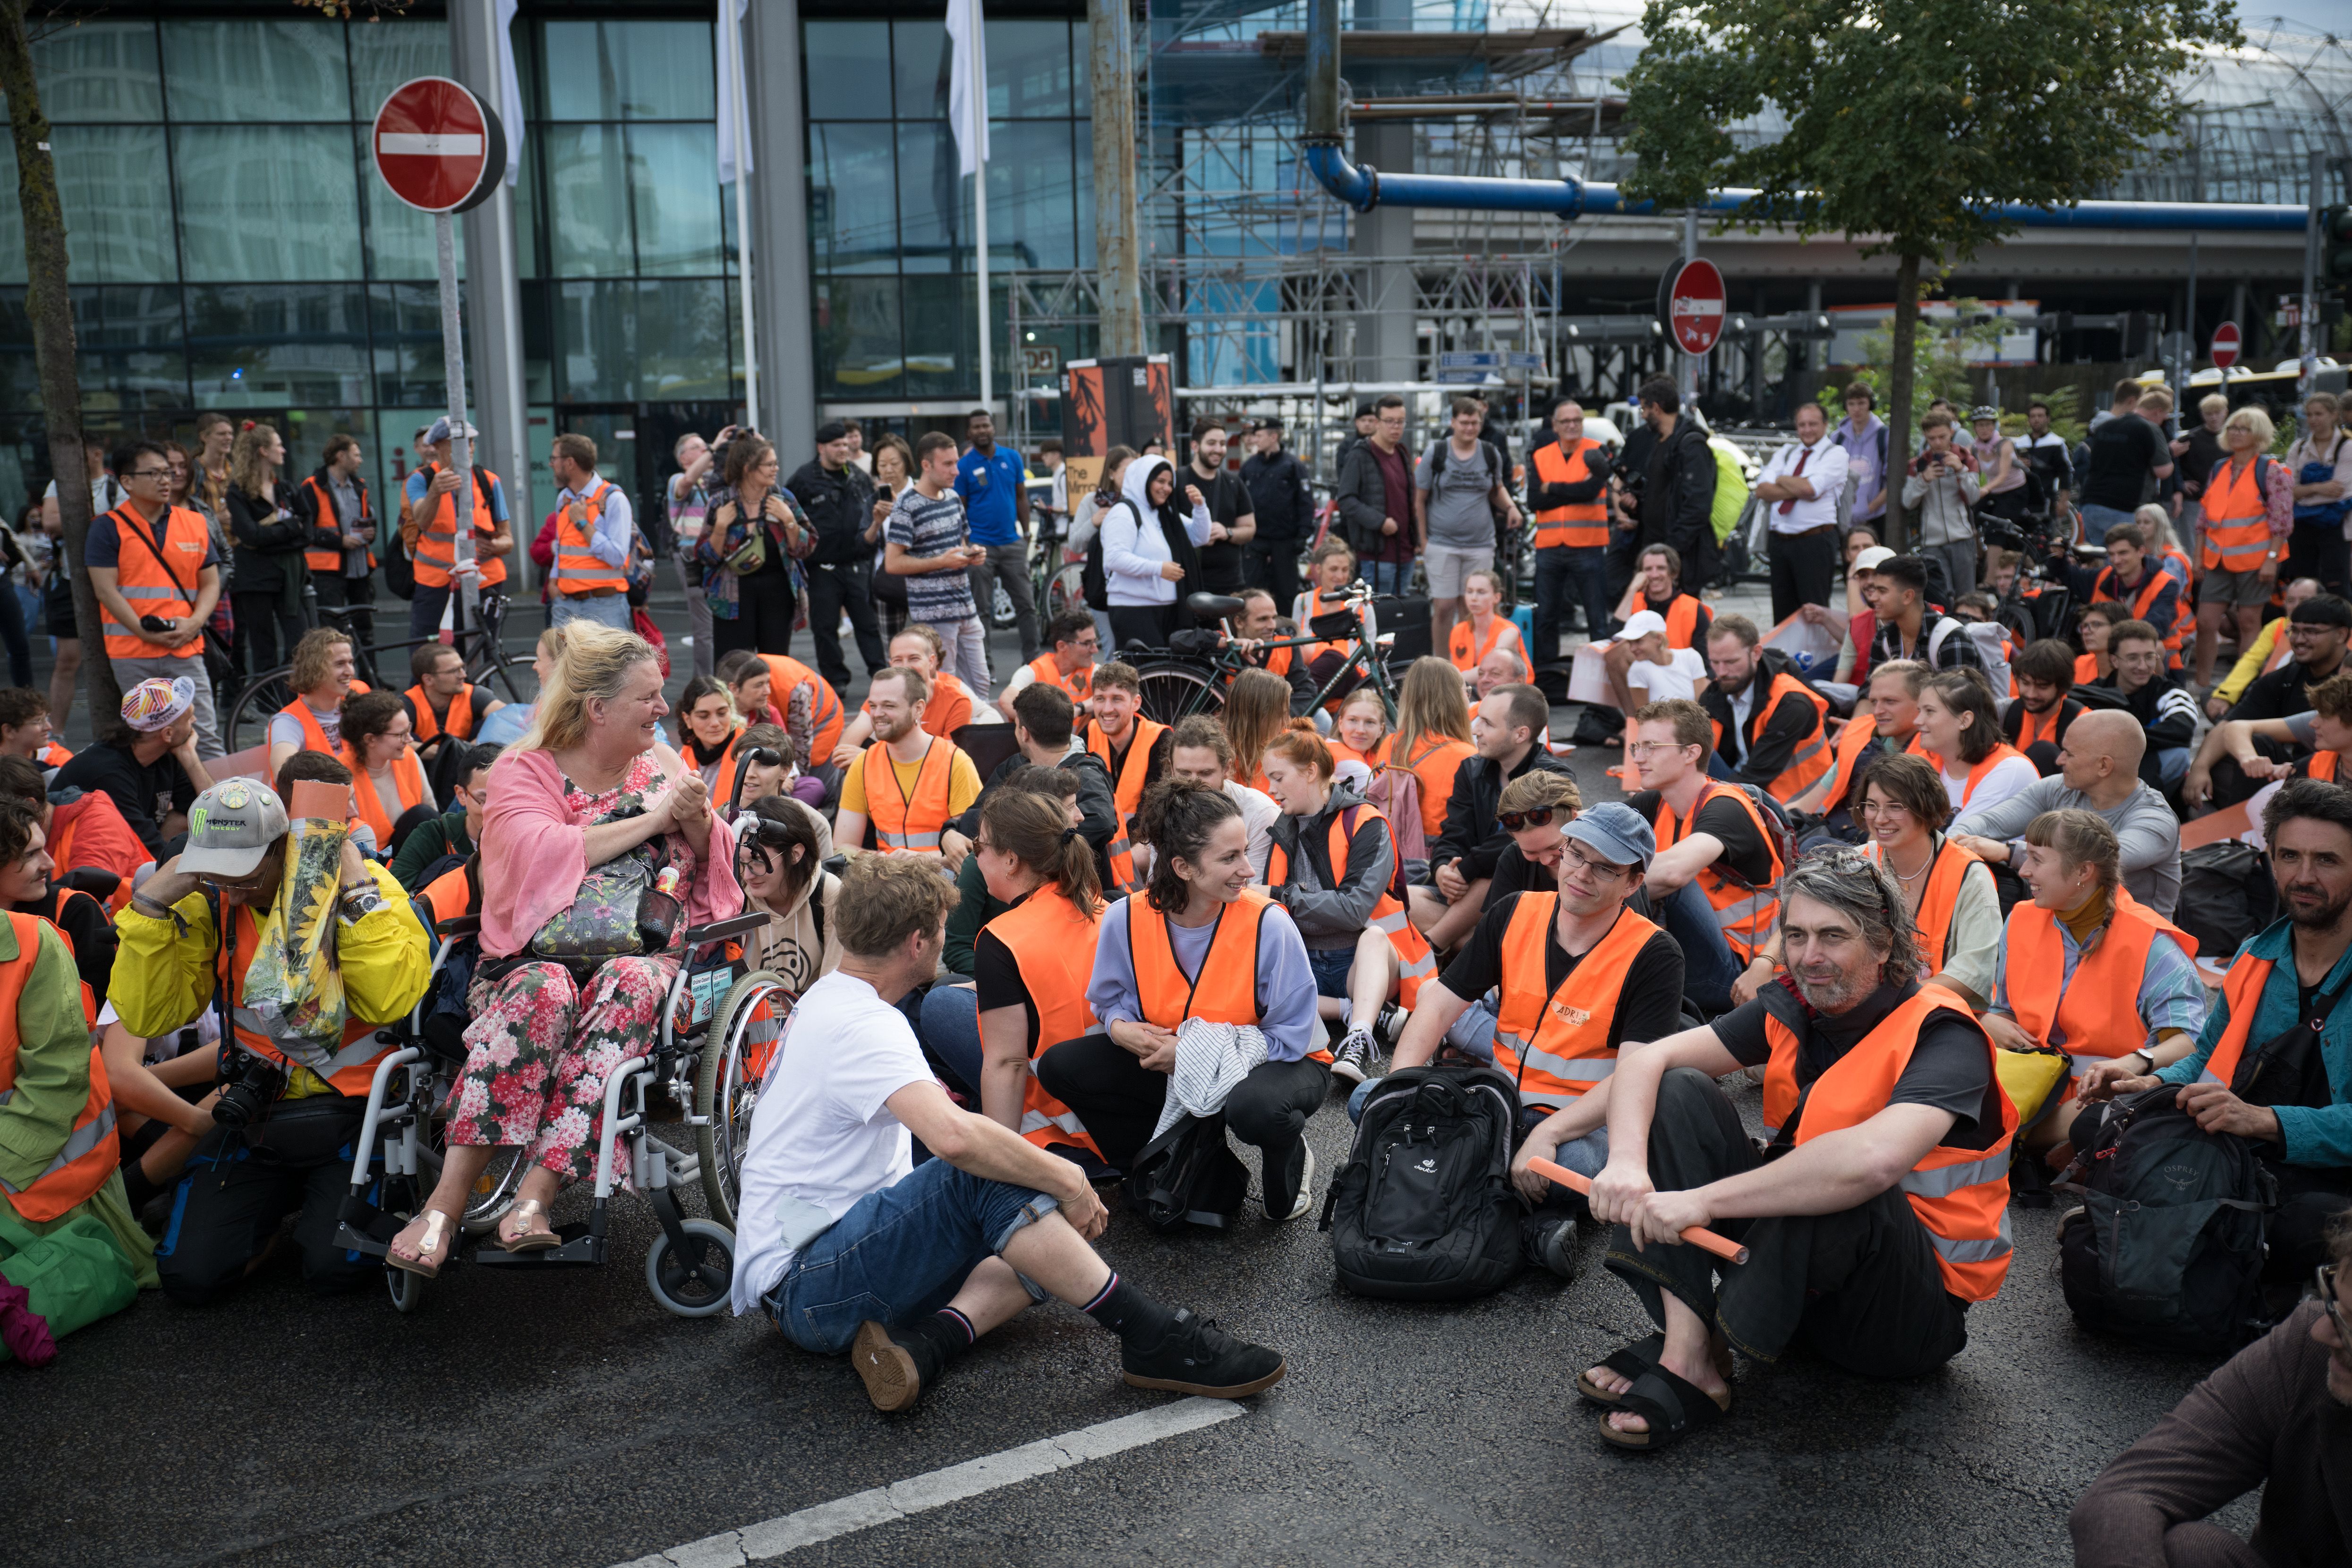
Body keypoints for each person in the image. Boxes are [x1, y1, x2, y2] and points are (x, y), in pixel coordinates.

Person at [728, 853, 1284, 1412]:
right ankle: (1156, 1337)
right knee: (995, 1175)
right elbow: (955, 1139)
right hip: (811, 1287)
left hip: (822, 1264)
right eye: (944, 928)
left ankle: (929, 1344)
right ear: (918, 943)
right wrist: (1066, 1175)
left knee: (1033, 1212)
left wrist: (1043, 1182)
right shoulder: (864, 1023)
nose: (950, 936)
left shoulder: (834, 997)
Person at [1568, 849, 2013, 1449]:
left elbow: (1870, 1163)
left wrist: (1701, 1199)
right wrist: (1614, 1158)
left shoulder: (1945, 1033)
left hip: (1899, 1317)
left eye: (1834, 935)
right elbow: (1648, 1059)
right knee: (1678, 1092)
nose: (1809, 956)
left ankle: (1702, 1346)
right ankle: (1689, 1345)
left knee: (1847, 1180)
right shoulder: (1798, 1002)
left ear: (1884, 945)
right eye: (1797, 934)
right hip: (1800, 1272)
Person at [384, 624, 741, 1276]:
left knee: (631, 980)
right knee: (545, 990)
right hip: (528, 958)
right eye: (650, 698)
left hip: (640, 956)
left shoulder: (660, 759)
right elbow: (537, 855)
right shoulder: (524, 769)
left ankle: (534, 1199)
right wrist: (654, 820)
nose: (664, 711)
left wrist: (691, 815)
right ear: (597, 708)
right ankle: (445, 1202)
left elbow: (707, 856)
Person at [119, 765, 430, 1302]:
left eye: (245, 870)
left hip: (357, 1112)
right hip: (257, 1115)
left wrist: (354, 889)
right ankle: (277, 1215)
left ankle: (335, 1208)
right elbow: (151, 1017)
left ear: (284, 845)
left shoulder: (364, 885)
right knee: (189, 1279)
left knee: (336, 1272)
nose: (232, 886)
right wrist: (149, 907)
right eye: (216, 870)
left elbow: (392, 1000)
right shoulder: (209, 897)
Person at [2087, 779, 2352, 1282]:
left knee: (2308, 1222)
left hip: (2326, 1172)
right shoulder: (2256, 954)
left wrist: (2265, 1120)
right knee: (2103, 1123)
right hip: (2251, 1155)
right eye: (2290, 856)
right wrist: (2152, 1084)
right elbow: (2210, 1057)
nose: (2304, 875)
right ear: (2270, 859)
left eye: (2328, 860)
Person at [1038, 781, 1329, 1220]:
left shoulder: (1269, 923)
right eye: (1230, 858)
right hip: (1174, 1059)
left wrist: (1193, 1053)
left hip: (1285, 1061)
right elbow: (1108, 1003)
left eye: (1245, 852)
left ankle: (1291, 1153)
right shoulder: (1126, 917)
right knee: (1060, 1067)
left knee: (1255, 1110)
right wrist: (1121, 1029)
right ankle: (1165, 1152)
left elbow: (1290, 1036)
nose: (1249, 870)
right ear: (1183, 867)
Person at [2069, 1218, 2352, 1568]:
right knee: (2190, 1552)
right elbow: (2125, 1495)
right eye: (2333, 1301)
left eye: (2350, 1326)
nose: (2323, 1333)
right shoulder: (2307, 1350)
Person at [0, 807, 156, 1321]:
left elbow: (57, 1080)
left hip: (43, 1183)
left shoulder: (34, 941)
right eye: (30, 853)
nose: (50, 862)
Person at [1982, 808, 2203, 1155]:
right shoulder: (2022, 919)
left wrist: (2136, 1062)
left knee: (1983, 1129)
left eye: (2037, 859)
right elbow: (2004, 1010)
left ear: (2084, 871)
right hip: (2027, 1083)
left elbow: (2190, 1042)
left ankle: (2027, 1144)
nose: (2024, 871)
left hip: (2102, 1096)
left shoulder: (2152, 945)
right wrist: (1990, 1021)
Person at [1261, 729, 1430, 1083]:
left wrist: (1279, 895)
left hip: (1364, 964)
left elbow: (1354, 910)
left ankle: (1358, 1039)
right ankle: (1356, 1012)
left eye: (1278, 778)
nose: (1270, 789)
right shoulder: (1282, 826)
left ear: (1310, 772)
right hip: (1307, 962)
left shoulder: (1367, 823)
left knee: (1374, 937)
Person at [1786, 752, 2000, 1009]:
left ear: (1926, 806)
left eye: (1895, 807)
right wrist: (1763, 961)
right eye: (1872, 805)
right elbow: (1800, 916)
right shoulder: (1858, 860)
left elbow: (1972, 973)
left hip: (1937, 1011)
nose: (1880, 818)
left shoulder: (1970, 874)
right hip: (1859, 1001)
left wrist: (1894, 1003)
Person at [1623, 698, 1778, 1015]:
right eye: (1636, 747)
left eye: (1652, 747)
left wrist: (1586, 885)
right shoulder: (1656, 802)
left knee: (1666, 879)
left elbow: (1673, 874)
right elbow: (1593, 831)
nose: (1639, 757)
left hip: (1740, 974)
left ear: (1691, 753)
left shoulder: (1726, 807)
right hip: (1693, 955)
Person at [1951, 708, 2182, 918]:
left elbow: (2093, 863)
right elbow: (1989, 821)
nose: (2059, 760)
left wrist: (2007, 852)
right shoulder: (2059, 787)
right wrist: (1956, 840)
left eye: (2069, 754)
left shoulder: (2155, 820)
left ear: (2104, 766)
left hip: (2133, 946)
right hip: (2065, 929)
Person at [85, 439, 225, 761]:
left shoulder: (194, 522)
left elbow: (211, 584)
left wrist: (194, 624)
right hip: (133, 652)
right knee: (149, 740)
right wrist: (142, 631)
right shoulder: (106, 529)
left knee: (204, 736)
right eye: (155, 473)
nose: (167, 479)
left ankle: (224, 808)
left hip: (186, 647)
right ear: (127, 481)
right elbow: (105, 590)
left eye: (169, 471)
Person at [1409, 684, 1573, 951]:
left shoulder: (1553, 777)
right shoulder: (1471, 769)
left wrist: (1466, 869)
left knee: (1501, 864)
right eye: (1478, 719)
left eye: (1487, 723)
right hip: (1466, 891)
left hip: (1520, 893)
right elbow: (1454, 830)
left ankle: (1435, 944)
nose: (1475, 730)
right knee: (1396, 901)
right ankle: (1472, 941)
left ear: (1520, 734)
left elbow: (1516, 844)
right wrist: (1442, 870)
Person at [947, 682, 1117, 892]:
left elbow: (1102, 822)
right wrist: (949, 832)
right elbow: (978, 816)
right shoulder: (1016, 765)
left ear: (1024, 733)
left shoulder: (1086, 773)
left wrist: (1032, 851)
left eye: (1016, 725)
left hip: (1081, 893)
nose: (1078, 816)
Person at [833, 667, 981, 870]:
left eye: (889, 706)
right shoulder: (865, 763)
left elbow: (970, 852)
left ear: (919, 709)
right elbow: (842, 847)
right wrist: (885, 859)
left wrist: (917, 859)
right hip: (886, 877)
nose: (877, 714)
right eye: (873, 706)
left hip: (942, 878)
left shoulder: (956, 762)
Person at [54, 678, 213, 860]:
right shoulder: (109, 773)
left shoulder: (165, 754)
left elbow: (211, 813)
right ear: (167, 734)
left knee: (190, 818)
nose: (194, 720)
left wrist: (190, 758)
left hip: (130, 842)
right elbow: (146, 843)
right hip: (77, 858)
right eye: (189, 717)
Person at [2191, 405, 2291, 686]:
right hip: (2218, 561)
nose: (2235, 433)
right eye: (2233, 427)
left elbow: (2282, 522)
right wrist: (2198, 557)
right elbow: (2203, 518)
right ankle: (2201, 686)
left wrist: (2272, 559)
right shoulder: (2220, 468)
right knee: (2205, 623)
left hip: (2257, 561)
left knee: (2249, 622)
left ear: (2258, 434)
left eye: (2243, 429)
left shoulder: (2272, 471)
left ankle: (2242, 686)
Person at [886, 432, 992, 693]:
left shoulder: (954, 499)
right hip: (934, 616)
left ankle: (976, 734)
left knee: (981, 686)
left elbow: (961, 545)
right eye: (948, 464)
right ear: (926, 465)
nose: (956, 471)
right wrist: (940, 562)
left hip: (965, 607)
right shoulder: (907, 505)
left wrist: (974, 553)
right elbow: (893, 563)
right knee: (947, 689)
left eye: (956, 462)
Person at [790, 419, 888, 696]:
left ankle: (881, 673)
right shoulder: (804, 478)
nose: (844, 449)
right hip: (821, 567)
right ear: (822, 447)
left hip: (858, 564)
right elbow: (790, 516)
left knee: (868, 624)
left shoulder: (858, 476)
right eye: (837, 445)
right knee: (825, 627)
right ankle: (836, 680)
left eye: (846, 444)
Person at [1417, 398, 1521, 657]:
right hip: (1441, 542)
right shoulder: (1437, 452)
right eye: (1464, 422)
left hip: (1480, 544)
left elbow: (1496, 490)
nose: (1469, 428)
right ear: (1453, 423)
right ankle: (1441, 668)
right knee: (1443, 607)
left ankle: (1470, 666)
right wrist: (1424, 541)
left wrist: (1511, 507)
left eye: (1475, 423)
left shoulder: (1489, 453)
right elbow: (1418, 499)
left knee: (1472, 608)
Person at [1698, 613, 1831, 804]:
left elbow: (1756, 777)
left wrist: (1705, 798)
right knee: (1683, 745)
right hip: (1742, 782)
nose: (1721, 672)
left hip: (1792, 805)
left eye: (1731, 662)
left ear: (1757, 653)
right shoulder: (1717, 693)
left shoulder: (1791, 703)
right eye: (1715, 662)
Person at [401, 415, 513, 642]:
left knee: (485, 652)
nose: (469, 449)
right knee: (430, 652)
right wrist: (435, 491)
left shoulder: (488, 481)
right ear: (439, 446)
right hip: (436, 583)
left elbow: (508, 540)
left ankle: (481, 680)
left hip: (485, 581)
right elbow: (422, 521)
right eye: (460, 443)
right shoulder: (420, 480)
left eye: (471, 442)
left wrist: (491, 546)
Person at [1787, 659, 1930, 834]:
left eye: (1890, 701)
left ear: (1922, 703)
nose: (1878, 711)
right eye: (1874, 702)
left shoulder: (1940, 750)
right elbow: (1809, 804)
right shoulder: (1859, 734)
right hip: (1833, 833)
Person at [699, 433, 808, 659]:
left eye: (776, 463)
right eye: (770, 464)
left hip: (778, 594)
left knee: (775, 665)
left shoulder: (783, 499)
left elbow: (808, 547)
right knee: (733, 665)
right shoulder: (721, 502)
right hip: (732, 597)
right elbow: (706, 557)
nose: (776, 469)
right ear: (748, 468)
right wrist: (720, 528)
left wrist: (789, 520)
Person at [0, 792, 114, 1007]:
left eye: (44, 848)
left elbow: (94, 1013)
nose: (50, 864)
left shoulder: (74, 911)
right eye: (30, 855)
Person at [1100, 452, 1212, 653]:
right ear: (1143, 480)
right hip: (1134, 610)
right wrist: (1158, 569)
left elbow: (1200, 537)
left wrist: (1200, 507)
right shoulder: (1124, 512)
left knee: (1169, 675)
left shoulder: (1166, 514)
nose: (1166, 488)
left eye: (1170, 483)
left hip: (1170, 608)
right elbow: (1115, 558)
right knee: (1144, 675)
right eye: (1160, 481)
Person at [1528, 397, 1612, 662]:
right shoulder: (1541, 456)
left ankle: (1602, 684)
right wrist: (1574, 491)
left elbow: (1591, 491)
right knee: (1545, 618)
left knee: (1597, 619)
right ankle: (1547, 678)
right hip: (1550, 546)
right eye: (1565, 421)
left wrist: (1551, 487)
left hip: (1588, 545)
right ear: (1555, 425)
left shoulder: (1598, 450)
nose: (1572, 426)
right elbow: (1534, 500)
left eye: (1577, 420)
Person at [1753, 401, 1850, 623]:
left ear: (1825, 425)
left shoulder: (1835, 454)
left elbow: (1811, 489)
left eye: (1813, 424)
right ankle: (1785, 657)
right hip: (1781, 542)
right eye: (1802, 425)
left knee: (1814, 612)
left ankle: (1816, 657)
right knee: (1782, 613)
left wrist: (1781, 479)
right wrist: (1798, 486)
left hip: (1814, 541)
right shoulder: (1787, 453)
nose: (1807, 430)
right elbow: (1762, 490)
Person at [956, 408, 1040, 665]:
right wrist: (966, 543)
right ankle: (985, 665)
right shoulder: (964, 465)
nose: (982, 431)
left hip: (1012, 542)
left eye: (986, 426)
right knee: (981, 611)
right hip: (980, 546)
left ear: (994, 428)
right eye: (977, 427)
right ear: (970, 434)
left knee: (1027, 606)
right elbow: (960, 508)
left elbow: (1021, 497)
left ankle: (1033, 663)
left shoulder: (1012, 457)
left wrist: (1025, 533)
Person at [1081, 661, 1168, 894]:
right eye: (1100, 699)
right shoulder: (1089, 733)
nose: (1107, 709)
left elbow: (1153, 810)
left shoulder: (1160, 738)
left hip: (1143, 842)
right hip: (1101, 845)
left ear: (1136, 703)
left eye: (1117, 699)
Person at [2087, 618, 2198, 789]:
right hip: (2099, 773)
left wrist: (2122, 742)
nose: (2143, 666)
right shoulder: (2092, 694)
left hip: (2147, 774)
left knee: (2178, 754)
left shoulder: (2169, 691)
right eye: (2133, 658)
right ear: (2115, 661)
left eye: (2150, 657)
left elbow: (2183, 728)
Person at [835, 625, 976, 760]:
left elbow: (946, 762)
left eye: (914, 658)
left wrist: (870, 759)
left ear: (931, 661)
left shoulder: (956, 700)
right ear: (891, 665)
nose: (906, 667)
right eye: (898, 660)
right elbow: (844, 750)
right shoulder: (882, 696)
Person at [291, 432, 376, 654]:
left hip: (359, 568)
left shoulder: (360, 486)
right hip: (328, 571)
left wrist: (370, 533)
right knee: (332, 629)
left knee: (364, 627)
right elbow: (305, 529)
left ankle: (371, 678)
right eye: (356, 455)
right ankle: (334, 679)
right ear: (341, 456)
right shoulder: (312, 487)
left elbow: (368, 518)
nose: (360, 460)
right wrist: (340, 541)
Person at [544, 433, 637, 631]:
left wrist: (583, 524)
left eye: (554, 459)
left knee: (607, 664)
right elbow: (563, 547)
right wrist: (553, 582)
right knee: (562, 663)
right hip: (565, 604)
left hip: (604, 605)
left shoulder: (614, 500)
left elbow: (618, 557)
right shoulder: (564, 500)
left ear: (570, 463)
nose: (551, 464)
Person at [1632, 376, 1717, 593]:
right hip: (1655, 547)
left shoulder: (1691, 446)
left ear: (1656, 408)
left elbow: (1698, 504)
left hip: (1679, 556)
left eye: (1644, 409)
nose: (1643, 416)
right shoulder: (1659, 442)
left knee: (1681, 618)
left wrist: (1672, 551)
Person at [1166, 714, 1278, 876]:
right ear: (1172, 769)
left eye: (1205, 773)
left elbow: (1258, 895)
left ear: (1227, 768)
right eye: (1184, 773)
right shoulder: (1168, 808)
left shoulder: (1260, 815)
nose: (1193, 783)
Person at [1916, 667, 2037, 816]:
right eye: (1919, 711)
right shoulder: (1922, 763)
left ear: (1965, 720)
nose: (1917, 721)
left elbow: (1959, 836)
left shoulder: (2011, 769)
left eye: (1930, 711)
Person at [2224, 591, 2352, 730]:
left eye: (2311, 632)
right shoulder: (2283, 677)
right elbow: (2228, 727)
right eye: (2294, 631)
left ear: (2341, 635)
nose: (2299, 640)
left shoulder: (2348, 678)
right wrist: (2224, 695)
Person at [1332, 394, 1416, 596]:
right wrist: (1380, 522)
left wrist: (1418, 538)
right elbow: (1346, 499)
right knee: (1376, 617)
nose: (1396, 427)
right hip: (1376, 555)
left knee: (1401, 617)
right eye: (1390, 421)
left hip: (1405, 553)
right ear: (1377, 423)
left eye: (1400, 422)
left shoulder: (1402, 454)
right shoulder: (1360, 455)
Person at [2208, 576, 2322, 719]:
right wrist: (2225, 695)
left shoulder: (2334, 629)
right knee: (2211, 697)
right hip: (2272, 695)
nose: (2297, 606)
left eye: (2304, 601)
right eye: (2291, 601)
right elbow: (2252, 660)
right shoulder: (2277, 626)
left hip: (2311, 698)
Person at [389, 742, 496, 893]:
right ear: (461, 795)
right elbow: (393, 892)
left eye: (506, 798)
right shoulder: (433, 835)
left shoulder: (526, 839)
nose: (496, 810)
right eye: (484, 800)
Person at [340, 690, 435, 858]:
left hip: (409, 856)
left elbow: (431, 815)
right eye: (401, 735)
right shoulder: (342, 773)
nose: (410, 740)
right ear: (370, 740)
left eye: (409, 730)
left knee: (424, 815)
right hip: (370, 860)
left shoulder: (410, 757)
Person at [1391, 656, 1476, 843]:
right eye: (1466, 691)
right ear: (1453, 698)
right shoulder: (1466, 756)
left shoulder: (1389, 744)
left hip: (1391, 850)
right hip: (1440, 855)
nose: (1468, 697)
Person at [2079, 377, 2175, 539]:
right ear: (2158, 412)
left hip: (2091, 503)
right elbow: (2163, 471)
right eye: (2165, 417)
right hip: (2125, 505)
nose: (2163, 423)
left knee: (2097, 560)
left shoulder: (2105, 427)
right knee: (2125, 560)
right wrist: (2171, 453)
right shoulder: (2149, 428)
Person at [1900, 411, 1982, 600]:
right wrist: (1924, 480)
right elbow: (1907, 502)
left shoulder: (1966, 458)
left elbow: (1974, 497)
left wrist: (1961, 470)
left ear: (1952, 432)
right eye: (1932, 438)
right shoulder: (1918, 464)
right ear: (1925, 437)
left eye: (1942, 437)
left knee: (1967, 597)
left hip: (1962, 537)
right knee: (1941, 596)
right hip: (1932, 542)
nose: (1937, 442)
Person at [2078, 524, 2185, 669]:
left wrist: (2106, 634)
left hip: (2159, 666)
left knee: (2156, 646)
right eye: (2112, 554)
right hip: (2107, 660)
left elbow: (2154, 628)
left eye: (2123, 553)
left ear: (2141, 551)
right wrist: (2058, 557)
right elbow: (2067, 575)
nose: (2116, 560)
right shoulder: (2105, 576)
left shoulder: (2166, 584)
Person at [401, 640, 504, 791]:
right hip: (424, 772)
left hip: (465, 770)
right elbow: (387, 741)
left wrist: (471, 748)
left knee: (488, 725)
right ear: (428, 679)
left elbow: (508, 718)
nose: (463, 675)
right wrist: (449, 753)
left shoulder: (472, 694)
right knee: (408, 740)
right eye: (453, 671)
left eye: (462, 668)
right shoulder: (408, 703)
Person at [666, 426, 726, 678]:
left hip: (718, 552)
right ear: (683, 458)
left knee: (723, 621)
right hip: (692, 555)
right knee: (705, 627)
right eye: (697, 447)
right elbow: (687, 482)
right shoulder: (676, 481)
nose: (705, 450)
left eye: (706, 446)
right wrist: (715, 447)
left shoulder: (718, 480)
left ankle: (723, 677)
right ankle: (706, 681)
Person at [265, 628, 361, 780]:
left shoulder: (359, 693)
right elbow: (283, 775)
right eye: (340, 664)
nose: (350, 671)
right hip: (323, 799)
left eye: (351, 662)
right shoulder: (288, 721)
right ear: (315, 668)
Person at [1239, 416, 1313, 606]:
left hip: (1284, 541)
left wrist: (1304, 533)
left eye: (1259, 436)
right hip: (1256, 540)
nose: (1255, 440)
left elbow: (1305, 501)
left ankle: (1287, 631)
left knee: (1286, 592)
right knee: (1252, 590)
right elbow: (1239, 501)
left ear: (1273, 437)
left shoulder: (1292, 466)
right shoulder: (1249, 467)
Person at [1868, 554, 1984, 672]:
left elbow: (1957, 690)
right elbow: (1870, 688)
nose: (1873, 598)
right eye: (1874, 590)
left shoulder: (1952, 637)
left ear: (1908, 596)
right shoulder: (1884, 637)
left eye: (1882, 591)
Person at [2287, 390, 2352, 595]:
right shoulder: (2298, 448)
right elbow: (2288, 491)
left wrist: (2304, 492)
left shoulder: (2347, 446)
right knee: (2304, 582)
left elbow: (2341, 491)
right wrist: (2318, 488)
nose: (2313, 420)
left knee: (2336, 584)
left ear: (2334, 415)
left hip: (2336, 525)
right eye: (2309, 415)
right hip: (2302, 526)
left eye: (2319, 414)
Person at [1183, 418, 1255, 598]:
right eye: (1211, 443)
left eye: (1223, 444)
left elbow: (1250, 529)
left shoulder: (1233, 483)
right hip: (1187, 581)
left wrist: (1227, 533)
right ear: (1195, 446)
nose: (1218, 449)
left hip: (1229, 584)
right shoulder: (1178, 481)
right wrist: (1195, 535)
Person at [2003, 639, 2089, 776]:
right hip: (2012, 790)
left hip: (2060, 793)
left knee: (2043, 752)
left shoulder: (2083, 723)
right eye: (2025, 683)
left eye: (2042, 687)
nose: (2031, 694)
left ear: (2062, 688)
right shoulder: (2007, 710)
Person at [1605, 608, 1708, 717]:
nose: (1632, 648)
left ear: (1659, 639)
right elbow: (1644, 719)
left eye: (1638, 641)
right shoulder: (1638, 669)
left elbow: (1702, 708)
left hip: (1696, 729)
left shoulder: (1691, 657)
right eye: (1630, 643)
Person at [1001, 610, 1099, 707]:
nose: (1095, 650)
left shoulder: (1093, 671)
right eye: (1087, 643)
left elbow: (1110, 696)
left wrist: (1080, 708)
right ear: (1062, 646)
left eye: (1094, 642)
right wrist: (1045, 719)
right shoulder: (1034, 672)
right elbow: (1007, 700)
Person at [1219, 665, 1293, 795]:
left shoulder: (1291, 745)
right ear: (1259, 718)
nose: (1287, 722)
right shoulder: (1216, 755)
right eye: (1281, 715)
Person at [1622, 543, 1710, 649]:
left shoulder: (1694, 609)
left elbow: (1707, 659)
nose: (1654, 575)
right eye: (1648, 569)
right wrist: (1632, 590)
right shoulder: (1632, 602)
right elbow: (1612, 644)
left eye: (1661, 568)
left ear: (1674, 573)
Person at [1831, 382, 1890, 536]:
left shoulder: (1885, 436)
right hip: (1843, 519)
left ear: (1871, 404)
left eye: (1862, 403)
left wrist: (1869, 509)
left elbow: (1892, 482)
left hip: (1876, 518)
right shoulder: (1837, 438)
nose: (1856, 409)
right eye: (1851, 404)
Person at [1446, 568, 1524, 679]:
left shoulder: (1509, 632)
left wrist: (1452, 682)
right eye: (1469, 591)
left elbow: (1488, 670)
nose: (1474, 598)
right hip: (1468, 691)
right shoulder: (1458, 630)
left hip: (1506, 694)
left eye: (1481, 592)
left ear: (1497, 598)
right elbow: (1453, 669)